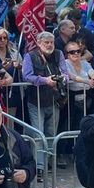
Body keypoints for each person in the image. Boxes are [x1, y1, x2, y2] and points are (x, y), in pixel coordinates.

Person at [21, 31, 70, 179]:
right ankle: (39, 167)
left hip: (54, 100)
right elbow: (27, 76)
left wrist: (61, 79)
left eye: (51, 42)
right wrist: (45, 81)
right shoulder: (30, 56)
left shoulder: (58, 54)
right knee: (38, 134)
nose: (49, 45)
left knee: (51, 134)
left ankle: (48, 162)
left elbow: (65, 73)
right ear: (39, 43)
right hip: (36, 101)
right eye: (46, 42)